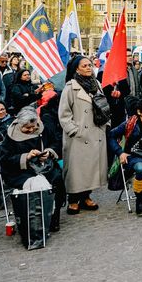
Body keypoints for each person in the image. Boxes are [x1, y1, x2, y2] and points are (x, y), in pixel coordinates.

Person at [58, 55, 109, 215]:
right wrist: (74, 130)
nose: (89, 67)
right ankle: (73, 199)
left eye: (90, 65)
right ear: (76, 69)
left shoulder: (97, 84)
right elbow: (64, 114)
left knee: (91, 168)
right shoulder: (70, 87)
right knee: (76, 170)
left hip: (96, 131)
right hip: (79, 136)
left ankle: (86, 196)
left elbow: (103, 105)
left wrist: (106, 123)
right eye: (85, 65)